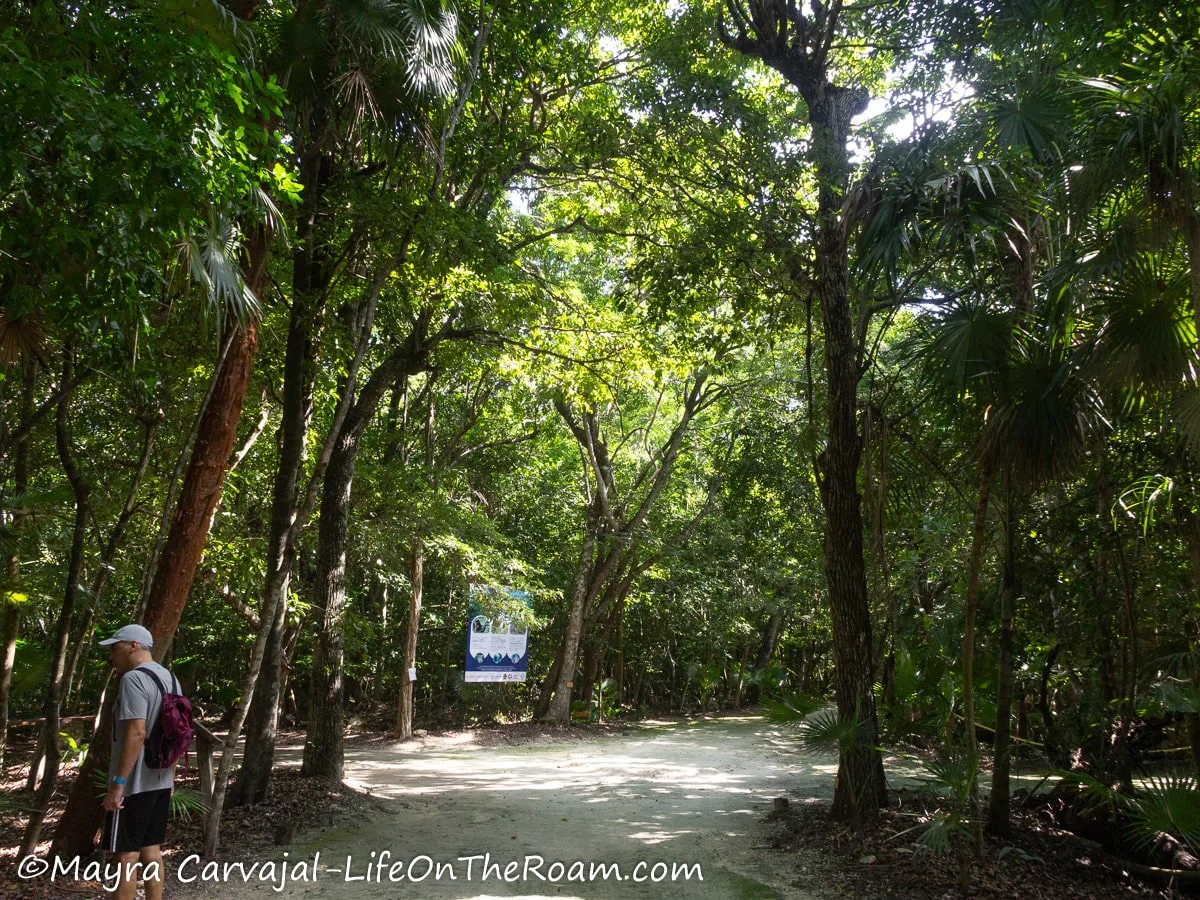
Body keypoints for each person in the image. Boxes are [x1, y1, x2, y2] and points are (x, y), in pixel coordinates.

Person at [99, 624, 180, 900]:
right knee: (151, 850)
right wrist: (171, 775)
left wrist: (118, 784)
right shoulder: (170, 678)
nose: (112, 654)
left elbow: (137, 732)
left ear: (133, 645)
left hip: (134, 783)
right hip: (160, 778)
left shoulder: (133, 679)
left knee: (126, 855)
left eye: (115, 647)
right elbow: (177, 732)